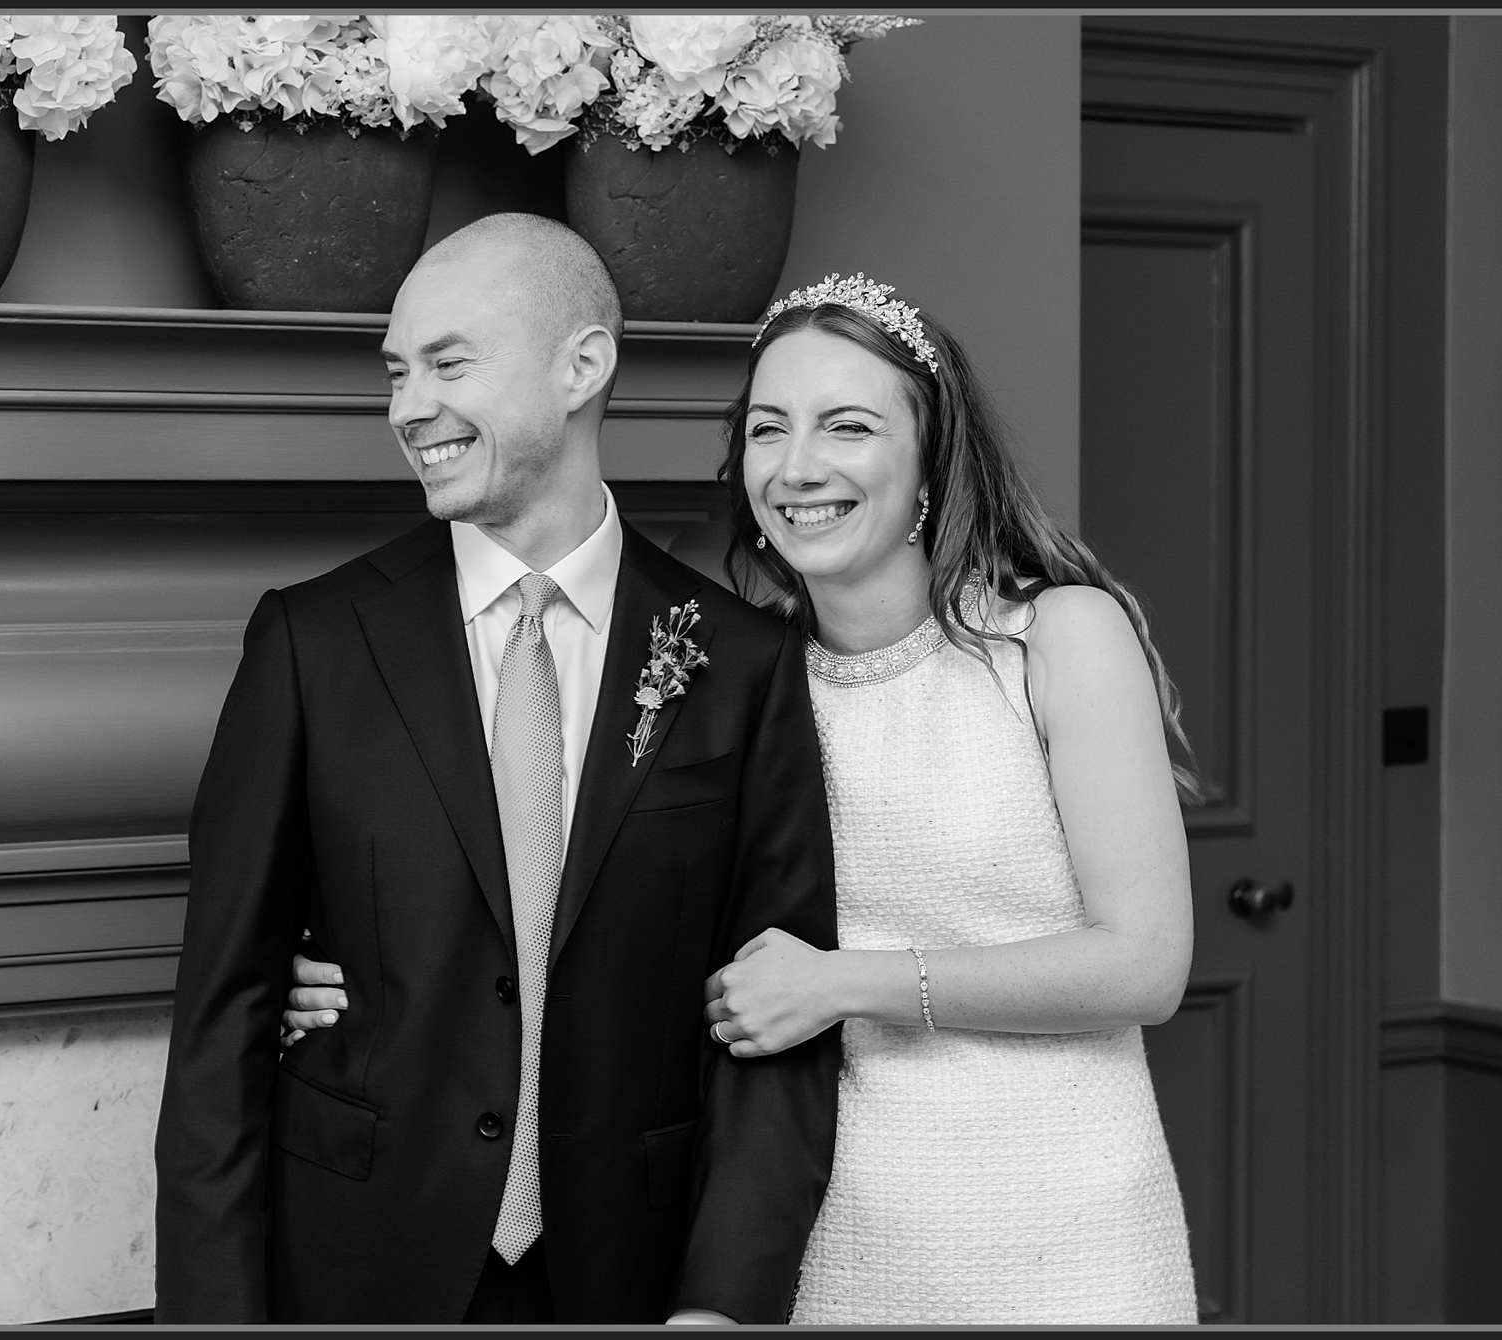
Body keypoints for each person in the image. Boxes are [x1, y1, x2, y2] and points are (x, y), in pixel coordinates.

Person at [291, 270, 1201, 1324]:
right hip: (833, 1224)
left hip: (1060, 1212)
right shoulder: (726, 667)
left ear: (930, 458)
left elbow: (1143, 963)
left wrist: (840, 981)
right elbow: (586, 895)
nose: (798, 466)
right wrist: (343, 979)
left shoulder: (1052, 638)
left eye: (847, 426)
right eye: (768, 430)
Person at [153, 214, 841, 1326]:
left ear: (582, 366)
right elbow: (219, 1025)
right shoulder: (312, 643)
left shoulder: (740, 660)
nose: (406, 406)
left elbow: (778, 1023)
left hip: (631, 1275)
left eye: (448, 362)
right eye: (394, 372)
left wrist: (722, 1303)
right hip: (357, 1269)